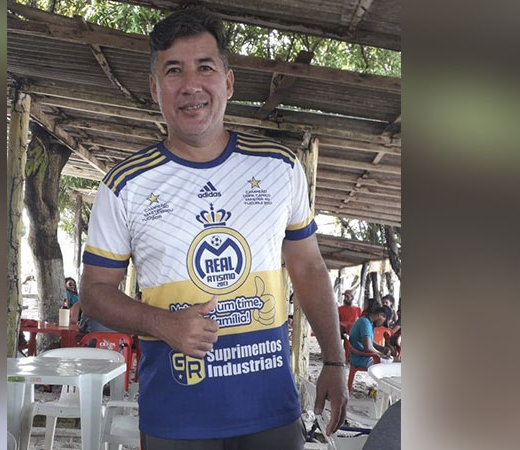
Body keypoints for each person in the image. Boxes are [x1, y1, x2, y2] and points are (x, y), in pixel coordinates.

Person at [79, 8, 347, 450]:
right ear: (154, 87)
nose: (191, 85)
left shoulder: (279, 169)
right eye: (173, 71)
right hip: (176, 414)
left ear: (228, 81)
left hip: (269, 409)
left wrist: (335, 361)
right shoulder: (124, 184)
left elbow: (309, 267)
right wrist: (162, 323)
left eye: (205, 67)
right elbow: (94, 292)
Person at [348, 304, 391, 369]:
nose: (381, 325)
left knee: (393, 360)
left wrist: (382, 348)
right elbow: (367, 347)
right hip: (361, 360)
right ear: (380, 315)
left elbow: (369, 342)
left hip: (361, 357)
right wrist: (380, 354)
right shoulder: (365, 323)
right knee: (394, 364)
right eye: (384, 322)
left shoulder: (367, 322)